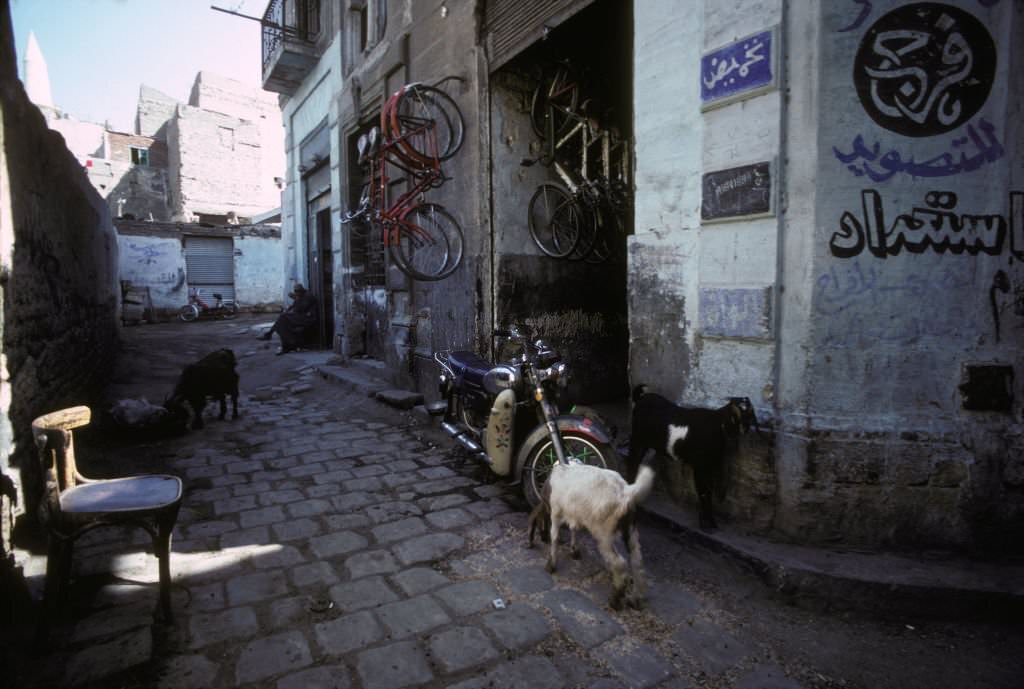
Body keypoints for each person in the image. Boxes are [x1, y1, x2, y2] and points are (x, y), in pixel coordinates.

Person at [259, 284, 318, 355]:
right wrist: (288, 310)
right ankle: (283, 344)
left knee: (283, 318)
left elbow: (300, 308)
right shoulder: (301, 296)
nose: (297, 293)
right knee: (282, 322)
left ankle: (270, 334)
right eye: (295, 291)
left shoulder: (308, 296)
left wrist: (296, 299)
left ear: (302, 290)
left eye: (298, 291)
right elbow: (294, 306)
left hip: (307, 318)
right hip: (301, 317)